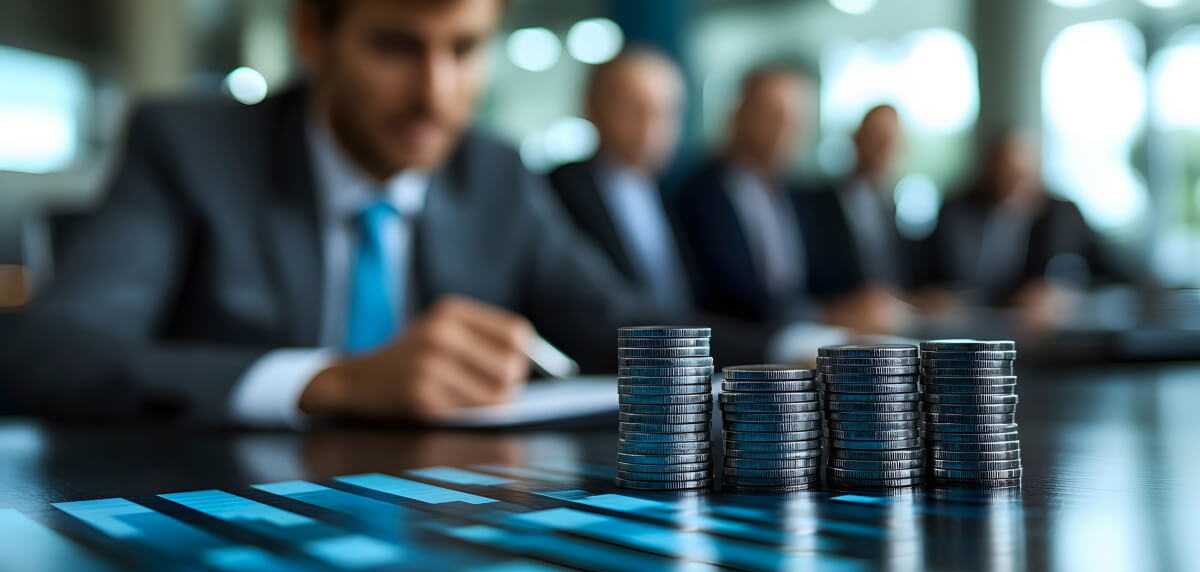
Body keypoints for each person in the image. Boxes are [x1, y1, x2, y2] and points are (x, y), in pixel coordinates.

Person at [0, 0, 704, 427]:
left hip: (442, 531)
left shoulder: (494, 173)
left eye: (464, 48)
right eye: (397, 46)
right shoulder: (188, 149)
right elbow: (56, 352)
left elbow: (625, 323)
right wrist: (328, 381)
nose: (437, 93)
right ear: (312, 32)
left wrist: (794, 348)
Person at [675, 65, 905, 333]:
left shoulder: (797, 195)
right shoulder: (701, 195)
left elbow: (821, 277)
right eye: (772, 115)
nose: (784, 130)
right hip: (740, 349)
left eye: (796, 120)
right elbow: (729, 297)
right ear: (739, 115)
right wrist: (824, 314)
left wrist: (861, 301)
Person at [918, 132, 1124, 325]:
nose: (1011, 183)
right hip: (966, 326)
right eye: (1003, 172)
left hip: (1038, 331)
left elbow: (1111, 272)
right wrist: (932, 295)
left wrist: (1069, 294)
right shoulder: (956, 211)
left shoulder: (1062, 215)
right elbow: (926, 272)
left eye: (1021, 174)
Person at [547, 48, 694, 311]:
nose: (652, 128)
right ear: (592, 107)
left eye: (666, 112)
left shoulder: (677, 196)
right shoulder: (554, 192)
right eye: (634, 109)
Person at [801, 104, 914, 294]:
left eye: (890, 140)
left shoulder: (890, 206)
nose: (882, 148)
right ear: (857, 137)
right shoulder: (816, 202)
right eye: (876, 138)